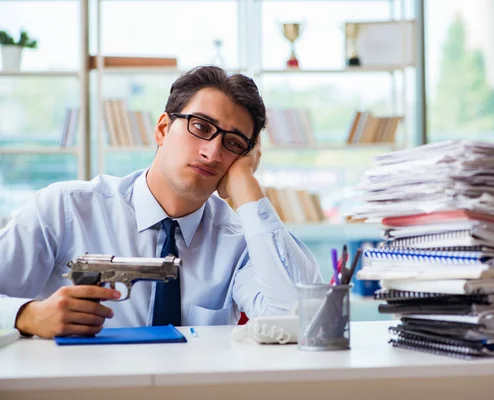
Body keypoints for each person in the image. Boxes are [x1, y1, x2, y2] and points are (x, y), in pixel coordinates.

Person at [0, 66, 322, 338]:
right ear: (163, 128)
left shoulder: (241, 239)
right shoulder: (66, 208)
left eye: (233, 143)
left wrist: (246, 187)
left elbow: (295, 318)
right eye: (201, 126)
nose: (212, 153)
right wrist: (26, 315)